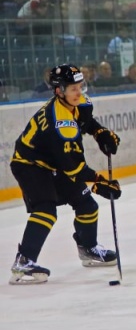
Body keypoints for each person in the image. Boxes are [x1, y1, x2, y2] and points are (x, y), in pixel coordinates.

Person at [9, 65, 121, 284]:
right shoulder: (60, 125)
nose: (79, 92)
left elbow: (86, 122)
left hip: (55, 163)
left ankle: (88, 249)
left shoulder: (77, 103)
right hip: (30, 165)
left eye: (81, 86)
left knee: (87, 206)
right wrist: (98, 183)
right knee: (46, 211)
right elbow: (73, 169)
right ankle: (23, 262)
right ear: (59, 91)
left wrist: (100, 133)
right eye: (73, 88)